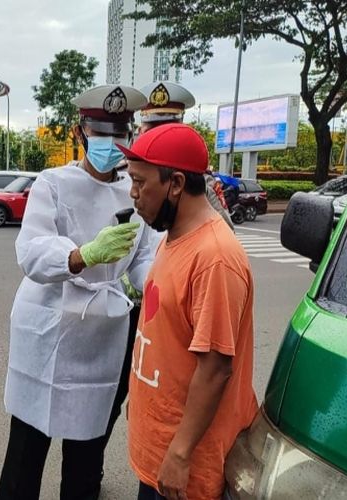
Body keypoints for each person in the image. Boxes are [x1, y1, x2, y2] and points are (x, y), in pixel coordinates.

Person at [0, 85, 155, 500]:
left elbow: (144, 259)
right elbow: (31, 252)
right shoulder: (52, 183)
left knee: (86, 456)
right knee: (24, 456)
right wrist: (83, 255)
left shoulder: (136, 191)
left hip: (102, 334)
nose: (110, 144)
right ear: (81, 131)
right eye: (101, 133)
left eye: (119, 134)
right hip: (47, 328)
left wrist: (154, 284)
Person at [119, 123, 259, 499]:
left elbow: (215, 369)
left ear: (176, 184)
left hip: (186, 467)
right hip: (159, 444)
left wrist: (180, 455)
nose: (133, 194)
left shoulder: (214, 258)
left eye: (139, 182)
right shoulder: (174, 234)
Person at [138, 81, 233, 229]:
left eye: (169, 132)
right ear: (140, 133)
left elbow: (225, 230)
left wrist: (195, 190)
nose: (159, 140)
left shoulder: (202, 183)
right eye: (153, 132)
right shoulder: (124, 176)